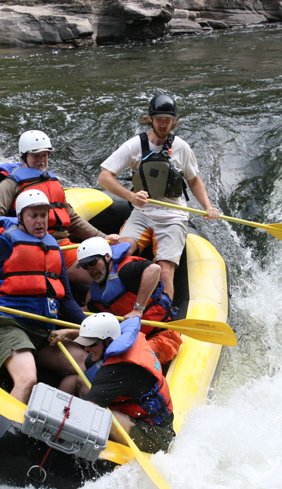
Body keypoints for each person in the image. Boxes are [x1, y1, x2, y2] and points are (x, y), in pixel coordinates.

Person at [0, 190, 88, 404]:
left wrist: (88, 324)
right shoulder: (2, 243)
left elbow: (66, 299)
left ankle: (60, 418)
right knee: (28, 379)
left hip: (42, 332)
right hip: (5, 326)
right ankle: (5, 431)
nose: (41, 221)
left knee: (85, 366)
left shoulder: (54, 248)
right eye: (34, 216)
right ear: (21, 218)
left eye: (44, 215)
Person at [98, 94, 220, 300]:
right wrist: (131, 196)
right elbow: (104, 176)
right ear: (150, 119)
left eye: (167, 120)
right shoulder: (135, 145)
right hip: (143, 213)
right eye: (159, 120)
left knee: (164, 271)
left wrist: (208, 206)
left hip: (174, 216)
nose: (163, 125)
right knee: (120, 252)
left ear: (174, 121)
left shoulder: (181, 147)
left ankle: (163, 319)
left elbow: (194, 180)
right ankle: (111, 301)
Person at [0, 130, 118, 283]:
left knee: (110, 264)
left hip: (61, 246)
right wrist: (23, 234)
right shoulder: (9, 184)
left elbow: (72, 219)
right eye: (36, 156)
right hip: (33, 250)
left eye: (45, 155)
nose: (41, 160)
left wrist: (103, 237)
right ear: (24, 156)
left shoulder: (51, 181)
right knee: (107, 275)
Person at [52, 313, 175, 454]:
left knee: (100, 417)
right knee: (80, 381)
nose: (86, 349)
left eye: (91, 344)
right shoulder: (124, 338)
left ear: (108, 341)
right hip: (144, 415)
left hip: (156, 435)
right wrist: (68, 333)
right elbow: (98, 338)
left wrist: (59, 427)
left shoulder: (117, 370)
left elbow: (86, 411)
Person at [73, 236, 182, 364]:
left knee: (130, 361)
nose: (90, 269)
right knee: (91, 363)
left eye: (92, 263)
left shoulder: (125, 271)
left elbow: (154, 269)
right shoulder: (98, 293)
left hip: (162, 336)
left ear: (107, 257)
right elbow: (88, 312)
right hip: (133, 340)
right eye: (85, 266)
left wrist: (138, 309)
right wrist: (69, 331)